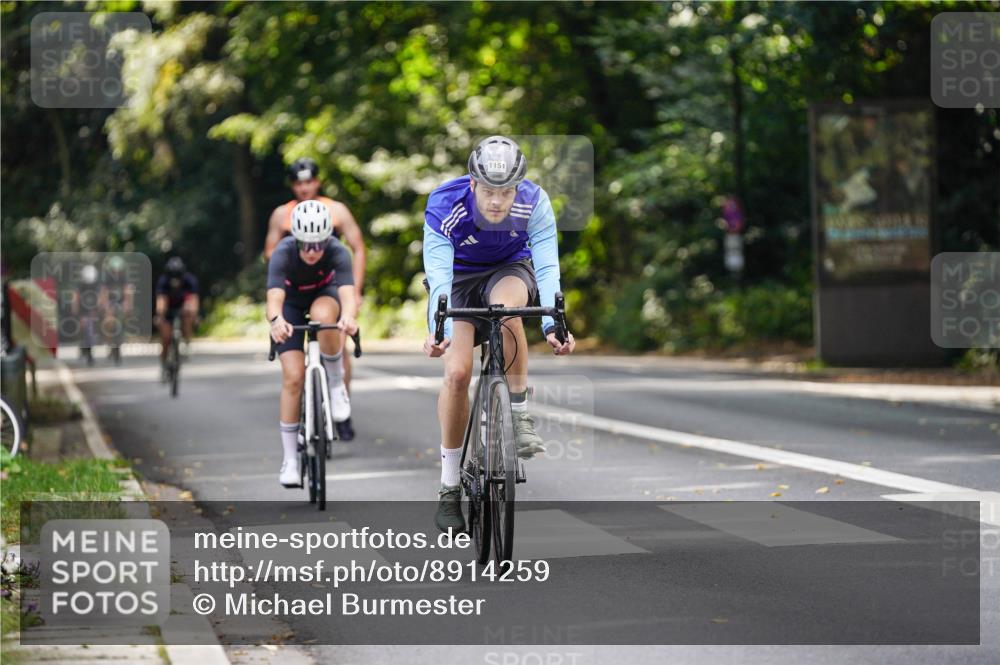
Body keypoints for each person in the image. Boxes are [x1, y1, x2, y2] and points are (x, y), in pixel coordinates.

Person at [422, 135, 576, 532]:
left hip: (509, 269)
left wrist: (553, 324)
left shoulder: (534, 202)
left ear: (517, 188)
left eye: (505, 192)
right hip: (458, 280)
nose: (496, 201)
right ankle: (450, 487)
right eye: (488, 191)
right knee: (457, 374)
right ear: (473, 184)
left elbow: (547, 268)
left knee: (508, 312)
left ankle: (519, 415)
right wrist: (438, 329)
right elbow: (438, 276)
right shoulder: (445, 204)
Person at [264, 157, 366, 440]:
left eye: (309, 181)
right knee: (295, 365)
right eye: (298, 183)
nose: (304, 187)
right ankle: (302, 417)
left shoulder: (336, 210)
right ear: (292, 186)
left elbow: (357, 248)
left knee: (336, 339)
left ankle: (342, 407)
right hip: (292, 288)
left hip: (329, 286)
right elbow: (270, 253)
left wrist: (355, 290)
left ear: (318, 182)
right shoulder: (281, 214)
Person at [267, 199, 358, 487]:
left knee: (323, 316)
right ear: (295, 238)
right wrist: (276, 321)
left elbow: (347, 295)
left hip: (324, 295)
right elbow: (274, 299)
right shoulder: (283, 252)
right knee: (293, 377)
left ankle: (336, 383)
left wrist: (349, 317)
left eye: (318, 244)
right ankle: (290, 460)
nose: (311, 251)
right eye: (305, 245)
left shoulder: (337, 251)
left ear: (327, 238)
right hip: (291, 304)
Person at [155, 257, 199, 376]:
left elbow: (193, 299)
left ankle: (187, 343)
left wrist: (194, 314)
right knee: (165, 337)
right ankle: (164, 363)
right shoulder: (164, 281)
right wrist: (160, 315)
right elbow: (161, 300)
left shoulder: (189, 280)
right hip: (168, 308)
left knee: (188, 314)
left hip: (183, 308)